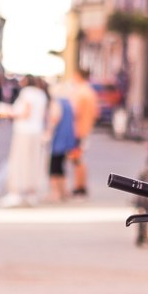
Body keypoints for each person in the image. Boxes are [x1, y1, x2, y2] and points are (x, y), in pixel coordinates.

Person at [0, 75, 48, 208]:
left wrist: (8, 112)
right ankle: (31, 193)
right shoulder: (41, 94)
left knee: (19, 162)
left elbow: (25, 113)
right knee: (34, 162)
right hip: (37, 131)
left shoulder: (27, 93)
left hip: (24, 131)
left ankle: (16, 193)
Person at [63, 68, 98, 197]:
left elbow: (75, 112)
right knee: (77, 158)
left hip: (78, 130)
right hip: (84, 129)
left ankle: (80, 187)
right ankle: (80, 186)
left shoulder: (81, 92)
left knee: (77, 159)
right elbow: (95, 113)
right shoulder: (89, 91)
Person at [46, 85, 78, 203]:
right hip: (68, 139)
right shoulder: (69, 103)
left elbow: (55, 119)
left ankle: (55, 192)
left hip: (58, 138)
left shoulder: (57, 103)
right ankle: (64, 191)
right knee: (61, 166)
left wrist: (48, 132)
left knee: (54, 166)